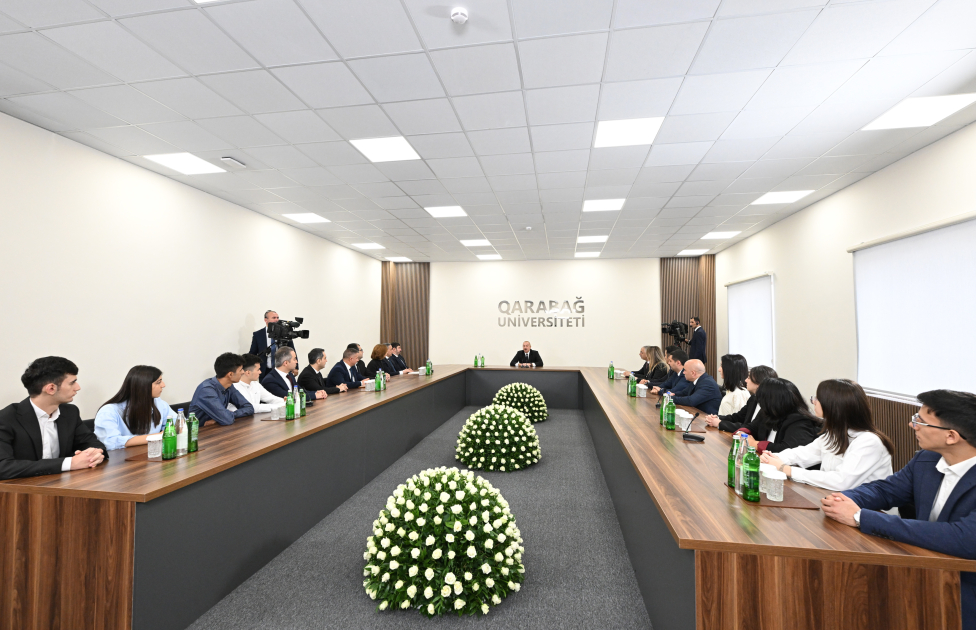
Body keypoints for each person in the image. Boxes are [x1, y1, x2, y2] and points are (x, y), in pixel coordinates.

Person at [822, 390, 976, 629]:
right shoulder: (926, 460)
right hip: (922, 571)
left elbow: (964, 539)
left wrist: (860, 517)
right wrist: (844, 499)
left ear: (951, 436)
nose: (912, 425)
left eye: (920, 421)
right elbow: (885, 490)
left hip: (964, 588)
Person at [760, 379, 894, 491]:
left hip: (865, 509)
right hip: (833, 497)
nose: (813, 401)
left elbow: (841, 481)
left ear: (833, 406)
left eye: (818, 398)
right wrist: (773, 458)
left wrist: (786, 469)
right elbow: (803, 453)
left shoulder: (869, 442)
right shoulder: (834, 434)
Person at [0, 356, 107, 480]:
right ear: (51, 388)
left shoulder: (70, 412)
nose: (78, 387)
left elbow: (93, 443)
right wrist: (69, 463)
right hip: (23, 489)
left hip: (64, 484)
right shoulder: (6, 418)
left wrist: (94, 454)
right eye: (72, 382)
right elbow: (3, 467)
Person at [94, 365, 175, 450]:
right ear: (143, 385)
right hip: (125, 457)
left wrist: (165, 433)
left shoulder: (158, 403)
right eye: (158, 382)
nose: (163, 385)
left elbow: (177, 424)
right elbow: (109, 442)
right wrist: (158, 436)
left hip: (151, 453)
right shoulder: (108, 411)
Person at [735, 378, 820, 453]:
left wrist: (755, 444)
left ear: (771, 401)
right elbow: (751, 427)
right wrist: (742, 434)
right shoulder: (768, 413)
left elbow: (788, 450)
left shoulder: (799, 421)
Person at [189, 353, 254, 426]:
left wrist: (229, 414)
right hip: (197, 431)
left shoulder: (229, 386)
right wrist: (225, 416)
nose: (243, 372)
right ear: (230, 374)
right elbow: (227, 420)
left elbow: (249, 408)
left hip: (217, 428)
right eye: (240, 370)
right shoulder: (206, 390)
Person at [705, 365, 777, 432]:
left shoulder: (769, 406)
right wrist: (717, 418)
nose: (746, 380)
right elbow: (737, 417)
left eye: (749, 378)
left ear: (759, 383)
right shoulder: (753, 399)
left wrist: (719, 423)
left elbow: (750, 428)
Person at [261, 347, 327, 400]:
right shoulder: (270, 380)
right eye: (294, 359)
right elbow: (289, 397)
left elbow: (300, 391)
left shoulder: (289, 375)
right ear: (286, 363)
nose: (296, 362)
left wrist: (317, 392)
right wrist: (314, 395)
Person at [248, 310, 296, 376]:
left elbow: (292, 351)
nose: (276, 320)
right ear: (266, 320)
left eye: (277, 317)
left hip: (282, 369)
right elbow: (252, 353)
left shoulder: (285, 333)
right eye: (274, 318)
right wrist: (250, 368)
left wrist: (296, 367)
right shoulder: (258, 335)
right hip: (265, 371)